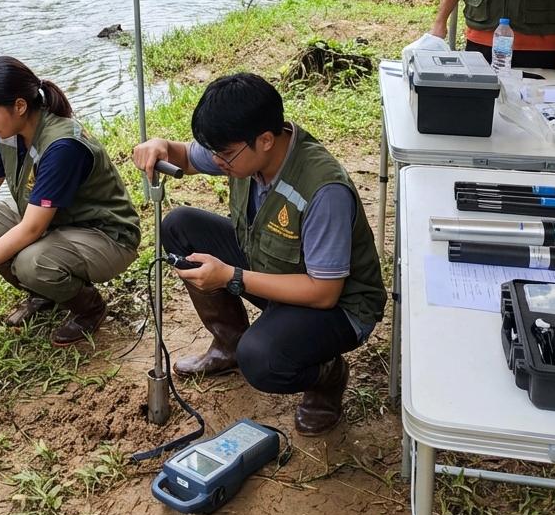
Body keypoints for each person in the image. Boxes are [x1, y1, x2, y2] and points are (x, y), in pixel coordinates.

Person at [132, 73, 386, 435]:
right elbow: (185, 156)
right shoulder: (241, 150)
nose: (217, 161)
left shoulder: (323, 190)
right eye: (214, 151)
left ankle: (327, 376)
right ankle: (228, 344)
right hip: (275, 267)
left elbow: (324, 292)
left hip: (338, 306)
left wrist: (230, 277)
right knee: (179, 225)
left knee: (261, 359)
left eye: (224, 155)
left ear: (266, 140)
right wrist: (160, 146)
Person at [0, 57, 141, 346]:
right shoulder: (11, 134)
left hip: (106, 236)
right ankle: (45, 294)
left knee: (31, 263)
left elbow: (31, 229)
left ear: (19, 106)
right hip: (58, 225)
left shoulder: (61, 146)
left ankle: (90, 308)